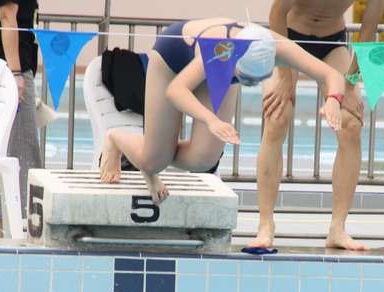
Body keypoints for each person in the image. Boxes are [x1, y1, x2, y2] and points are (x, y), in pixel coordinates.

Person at [99, 18, 355, 208]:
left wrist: (333, 100)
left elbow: (331, 74)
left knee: (203, 160)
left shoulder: (277, 46)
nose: (247, 84)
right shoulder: (221, 50)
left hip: (215, 69)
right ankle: (117, 139)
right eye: (243, 78)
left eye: (253, 81)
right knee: (154, 161)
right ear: (235, 62)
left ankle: (156, 150)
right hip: (173, 60)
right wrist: (210, 120)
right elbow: (176, 91)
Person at [245, 0, 384, 252]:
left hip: (331, 43)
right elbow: (277, 13)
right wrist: (285, 77)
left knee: (350, 123)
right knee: (277, 116)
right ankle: (265, 224)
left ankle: (338, 228)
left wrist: (350, 83)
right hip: (287, 38)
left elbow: (369, 27)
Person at [0, 0, 42, 238]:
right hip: (7, 68)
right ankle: (21, 229)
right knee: (21, 152)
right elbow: (7, 16)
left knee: (4, 150)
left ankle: (0, 227)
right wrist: (15, 74)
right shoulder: (9, 73)